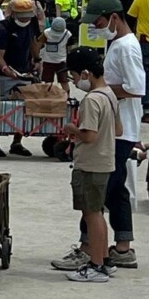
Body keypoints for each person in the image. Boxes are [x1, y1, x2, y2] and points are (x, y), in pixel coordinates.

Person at [57, 47, 121, 281]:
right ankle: (104, 259)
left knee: (91, 214)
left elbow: (90, 136)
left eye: (74, 76)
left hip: (90, 163)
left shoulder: (91, 100)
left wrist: (72, 129)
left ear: (86, 74)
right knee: (97, 213)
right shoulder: (109, 94)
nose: (74, 82)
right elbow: (119, 129)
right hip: (105, 161)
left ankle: (95, 266)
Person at [91, 0, 144, 268]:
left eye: (99, 21)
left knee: (96, 188)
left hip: (118, 131)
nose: (97, 26)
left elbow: (136, 88)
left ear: (114, 17)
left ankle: (88, 246)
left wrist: (100, 91)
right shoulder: (117, 43)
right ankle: (123, 246)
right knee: (115, 190)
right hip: (116, 127)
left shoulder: (126, 47)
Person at [0, 0, 45, 156]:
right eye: (21, 16)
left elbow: (33, 42)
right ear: (13, 13)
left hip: (25, 70)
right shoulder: (4, 27)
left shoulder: (32, 24)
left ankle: (17, 142)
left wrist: (37, 59)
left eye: (28, 16)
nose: (25, 19)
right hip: (5, 72)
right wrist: (5, 69)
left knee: (26, 106)